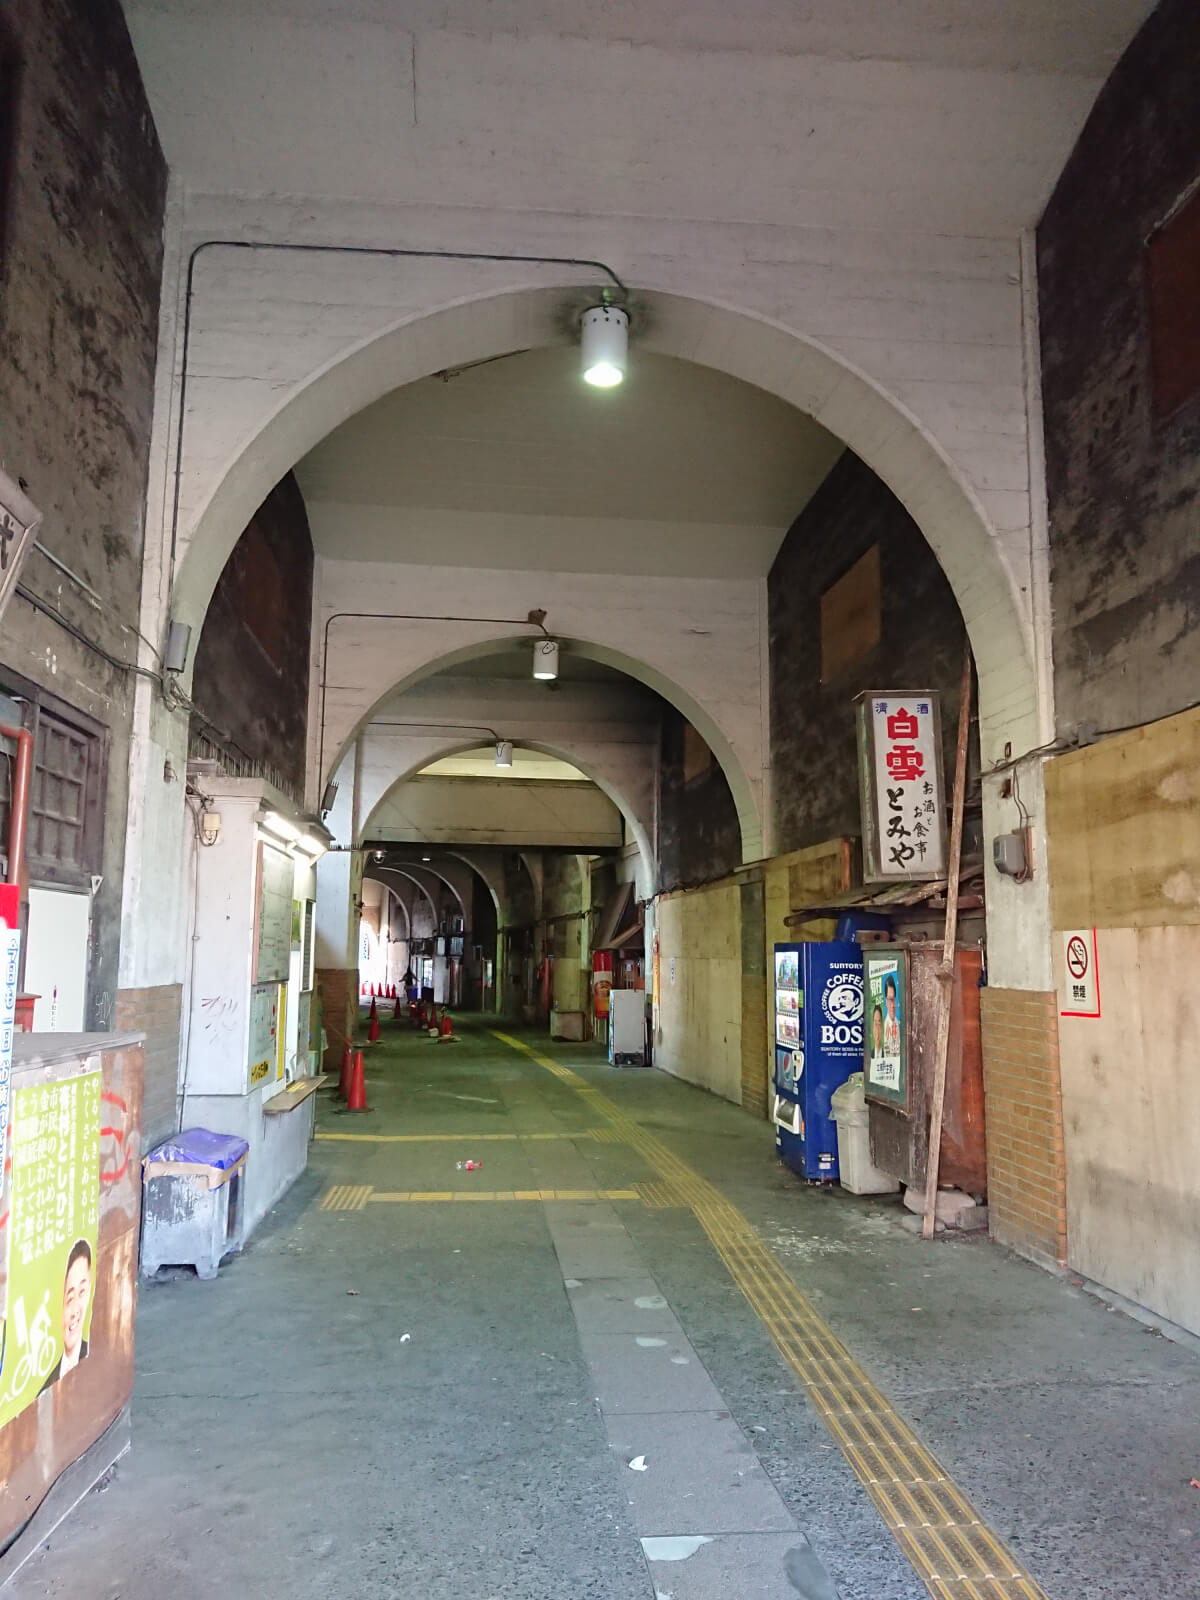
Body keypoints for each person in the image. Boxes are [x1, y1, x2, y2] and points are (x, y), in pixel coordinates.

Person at [40, 1238, 92, 1393]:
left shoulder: (98, 1357)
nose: (75, 1310)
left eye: (82, 1292)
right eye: (69, 1298)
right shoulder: (45, 1388)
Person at [883, 973, 901, 1056]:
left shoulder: (897, 1023)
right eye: (890, 1000)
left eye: (893, 1000)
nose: (893, 1005)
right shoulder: (884, 1026)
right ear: (886, 1001)